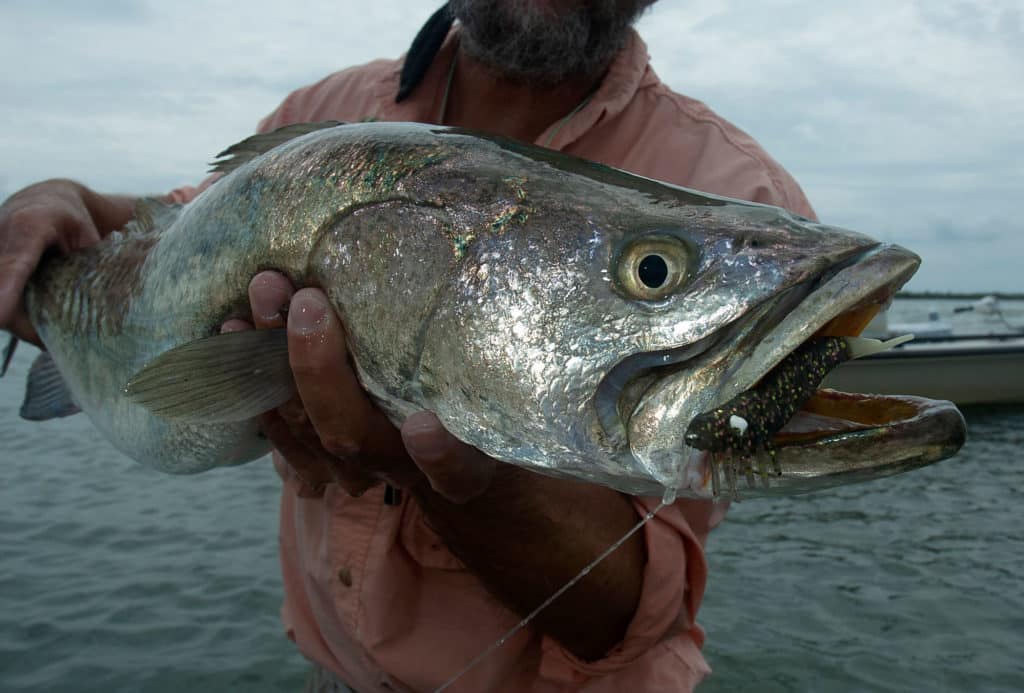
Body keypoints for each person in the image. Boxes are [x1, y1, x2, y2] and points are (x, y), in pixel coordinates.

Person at [0, 2, 815, 690]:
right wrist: (66, 200)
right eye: (654, 269)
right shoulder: (323, 111)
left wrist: (435, 472)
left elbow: (628, 612)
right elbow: (176, 230)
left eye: (650, 269)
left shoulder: (743, 202)